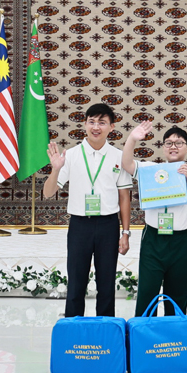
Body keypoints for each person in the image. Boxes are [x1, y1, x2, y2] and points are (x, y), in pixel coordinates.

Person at [44, 103, 133, 318]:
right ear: (84, 124)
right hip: (80, 225)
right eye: (91, 121)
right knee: (76, 282)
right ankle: (73, 330)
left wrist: (125, 232)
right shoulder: (71, 155)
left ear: (111, 127)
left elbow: (124, 198)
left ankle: (106, 330)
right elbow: (48, 192)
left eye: (102, 122)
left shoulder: (119, 157)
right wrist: (55, 169)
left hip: (108, 225)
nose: (96, 127)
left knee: (106, 283)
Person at [121, 121, 187, 316]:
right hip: (154, 239)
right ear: (162, 147)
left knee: (178, 296)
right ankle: (145, 340)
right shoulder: (151, 169)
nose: (173, 146)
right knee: (147, 294)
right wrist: (132, 139)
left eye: (179, 143)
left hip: (182, 241)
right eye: (168, 143)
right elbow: (126, 164)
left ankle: (173, 341)